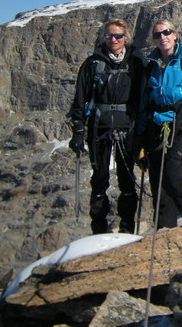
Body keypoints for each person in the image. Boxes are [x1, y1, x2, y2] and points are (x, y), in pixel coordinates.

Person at [134, 19, 182, 229]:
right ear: (153, 40)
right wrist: (140, 140)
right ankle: (164, 230)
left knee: (170, 173)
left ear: (175, 35)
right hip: (155, 129)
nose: (162, 37)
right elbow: (145, 105)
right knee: (158, 185)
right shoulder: (150, 66)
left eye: (166, 32)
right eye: (157, 35)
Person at [68, 18, 144, 234]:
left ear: (125, 38)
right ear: (104, 38)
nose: (114, 39)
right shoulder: (92, 64)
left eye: (118, 36)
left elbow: (142, 98)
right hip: (98, 128)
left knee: (127, 179)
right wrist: (78, 131)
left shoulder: (136, 64)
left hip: (127, 128)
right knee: (99, 179)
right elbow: (80, 99)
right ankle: (99, 230)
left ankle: (127, 228)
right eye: (110, 35)